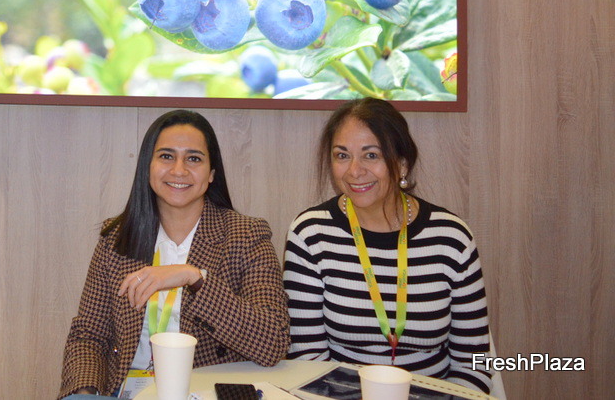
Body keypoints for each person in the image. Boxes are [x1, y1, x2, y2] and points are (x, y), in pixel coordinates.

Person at [59, 110, 289, 399]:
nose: (179, 170)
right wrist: (85, 392)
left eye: (194, 159)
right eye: (166, 156)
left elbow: (273, 342)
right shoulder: (116, 239)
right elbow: (89, 336)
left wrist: (195, 278)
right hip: (129, 391)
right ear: (148, 167)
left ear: (212, 173)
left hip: (205, 392)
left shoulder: (246, 235)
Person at [283, 97, 492, 392]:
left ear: (402, 163)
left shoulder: (451, 237)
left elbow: (473, 363)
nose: (354, 171)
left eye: (371, 155)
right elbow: (306, 358)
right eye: (342, 155)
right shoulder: (311, 234)